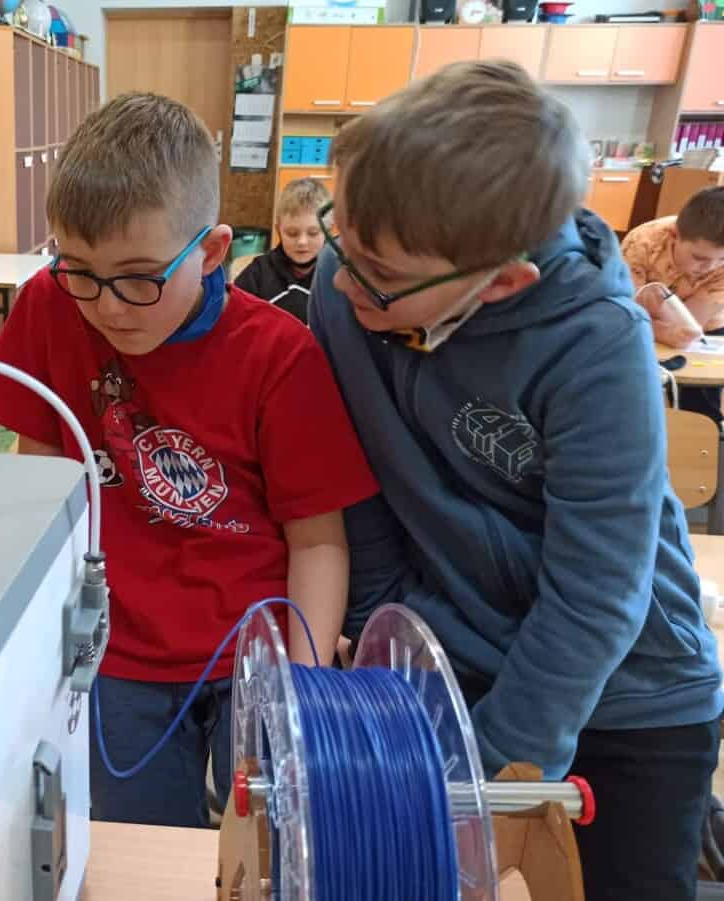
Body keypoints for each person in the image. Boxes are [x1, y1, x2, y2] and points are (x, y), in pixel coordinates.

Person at [307, 60, 723, 901]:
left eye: (378, 270)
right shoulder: (350, 282)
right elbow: (363, 486)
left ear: (501, 281)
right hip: (451, 665)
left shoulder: (596, 343)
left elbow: (596, 596)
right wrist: (380, 639)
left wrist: (497, 771)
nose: (343, 279)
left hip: (634, 697)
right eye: (338, 237)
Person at [0, 92, 377, 828]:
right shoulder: (49, 305)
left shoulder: (279, 355)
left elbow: (318, 541)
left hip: (255, 650)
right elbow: (39, 488)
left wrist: (307, 688)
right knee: (142, 848)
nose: (107, 306)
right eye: (79, 270)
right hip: (113, 653)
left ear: (212, 252)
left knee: (273, 842)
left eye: (138, 277)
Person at [623, 187, 724, 422]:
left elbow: (689, 327)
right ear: (674, 234)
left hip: (706, 329)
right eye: (699, 258)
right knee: (632, 383)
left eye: (721, 259)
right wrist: (664, 330)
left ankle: (704, 432)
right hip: (639, 323)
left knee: (700, 399)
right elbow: (624, 313)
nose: (711, 267)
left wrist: (657, 324)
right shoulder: (642, 242)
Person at [233, 177, 330, 323]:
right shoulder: (257, 274)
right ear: (279, 230)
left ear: (328, 231)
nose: (302, 242)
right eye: (292, 233)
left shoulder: (338, 276)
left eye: (313, 233)